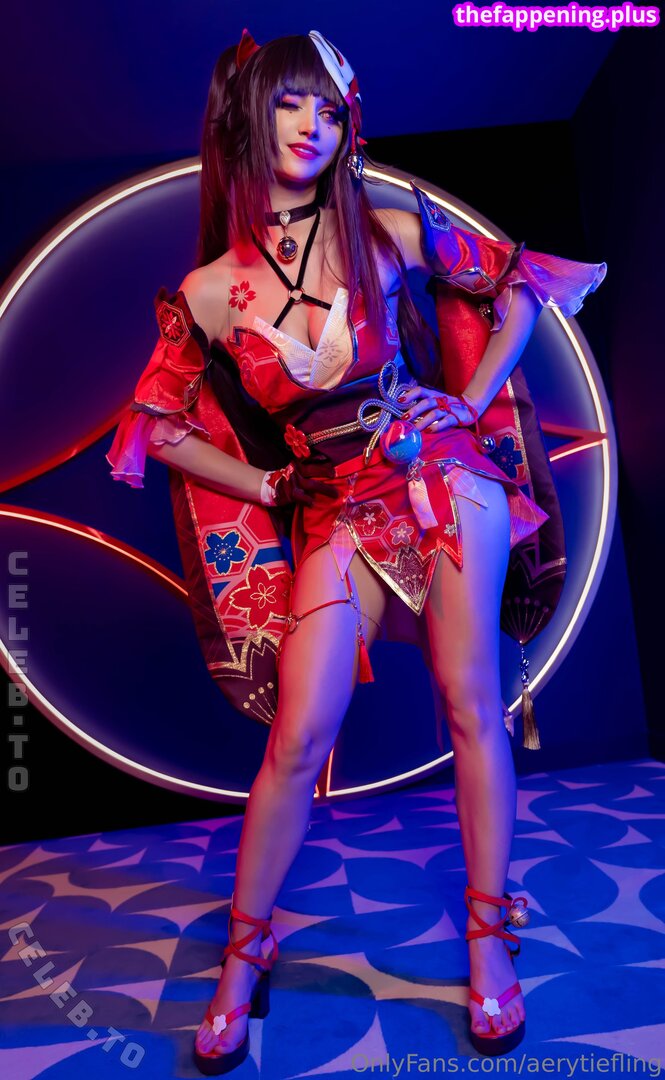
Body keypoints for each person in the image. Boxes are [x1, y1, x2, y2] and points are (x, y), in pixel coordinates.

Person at [106, 29, 606, 1071]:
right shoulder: (207, 291)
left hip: (439, 477)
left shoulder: (385, 230)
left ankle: (487, 941)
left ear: (347, 129)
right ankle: (245, 953)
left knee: (469, 702)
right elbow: (158, 428)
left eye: (328, 111)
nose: (310, 126)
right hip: (333, 505)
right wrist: (265, 485)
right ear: (251, 118)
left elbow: (519, 288)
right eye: (290, 104)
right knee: (298, 736)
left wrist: (464, 401)